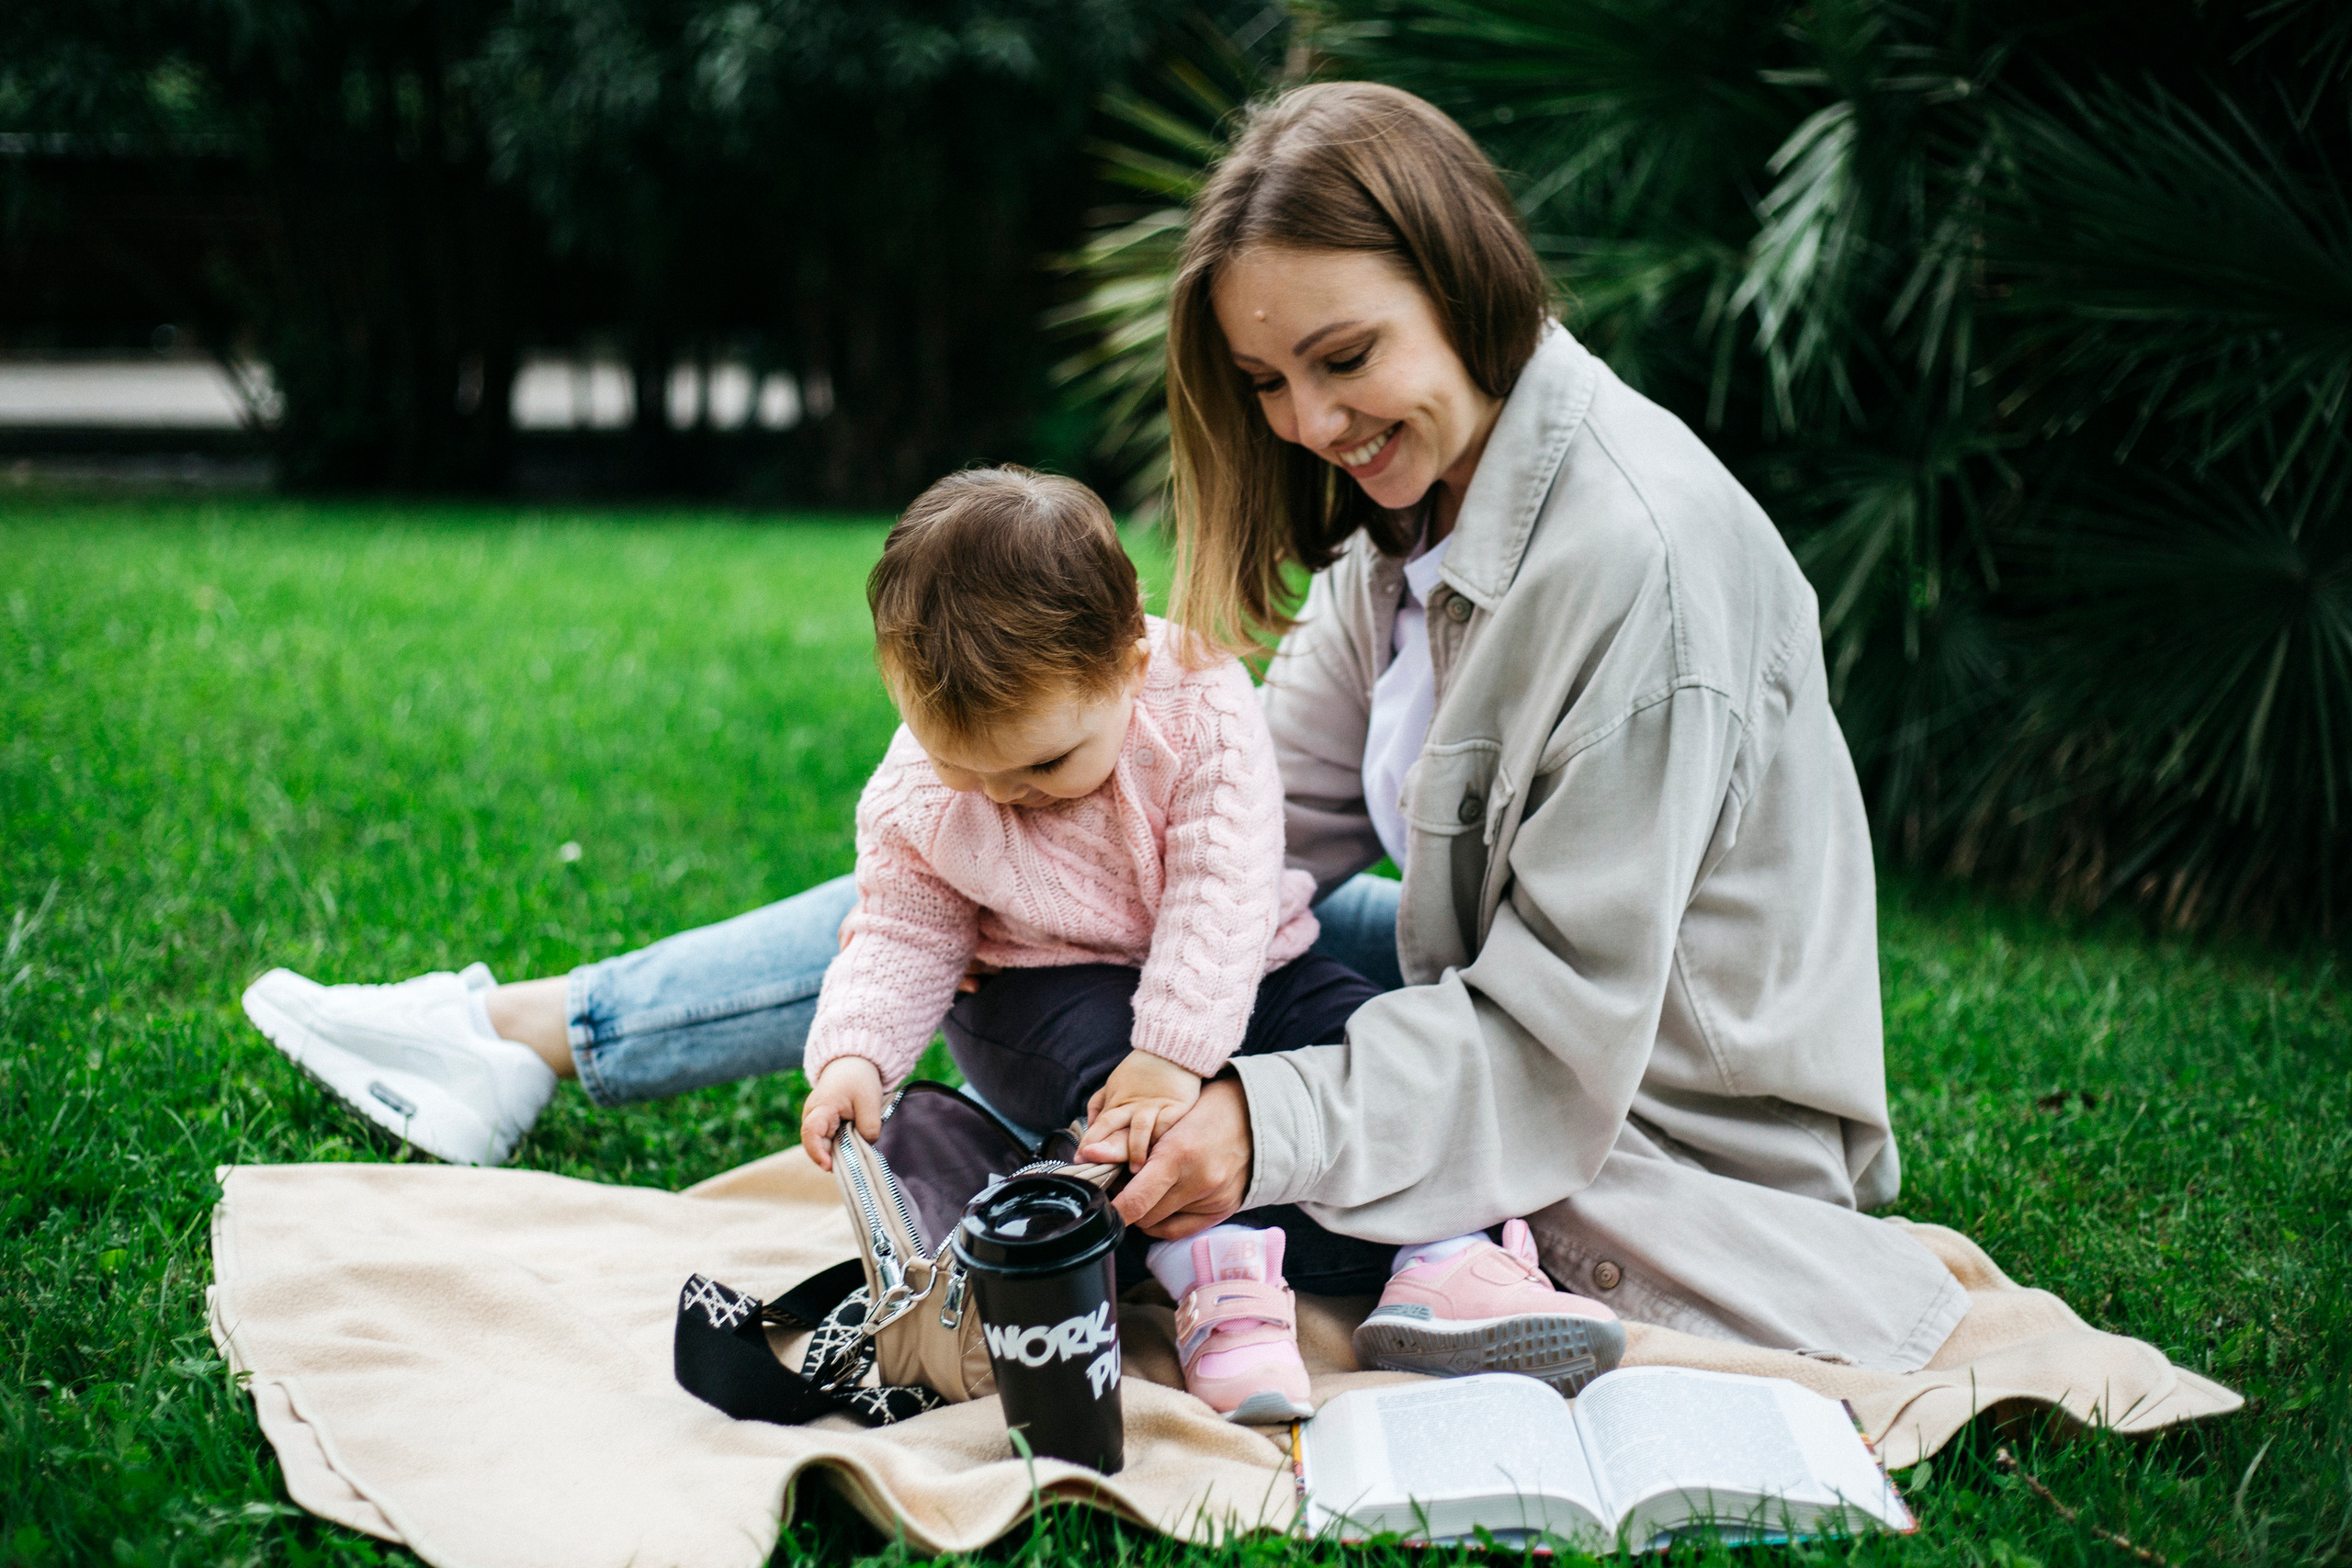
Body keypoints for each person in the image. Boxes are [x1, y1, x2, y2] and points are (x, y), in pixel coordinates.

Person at [243, 78, 1968, 1384]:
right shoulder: (1427, 509)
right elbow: (1243, 825)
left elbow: (1553, 1042)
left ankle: (553, 1044)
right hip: (1461, 986)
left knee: (1047, 899)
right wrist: (1041, 862)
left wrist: (1244, 1116)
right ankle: (532, 1036)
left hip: (1638, 1118)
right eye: (1270, 385)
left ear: (1464, 272)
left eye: (1344, 357)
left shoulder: (1636, 569)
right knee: (1012, 864)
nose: (1308, 423)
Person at [243, 465, 1626, 1423]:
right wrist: (855, 1050)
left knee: (1346, 1040)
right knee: (1105, 1094)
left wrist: (1181, 1057)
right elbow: (900, 928)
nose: (1008, 801)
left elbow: (1218, 897)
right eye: (976, 775)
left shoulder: (1200, 702)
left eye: (1044, 766)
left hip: (1227, 968)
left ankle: (1445, 1249)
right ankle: (1216, 1279)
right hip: (1041, 995)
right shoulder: (926, 791)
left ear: (1128, 665)